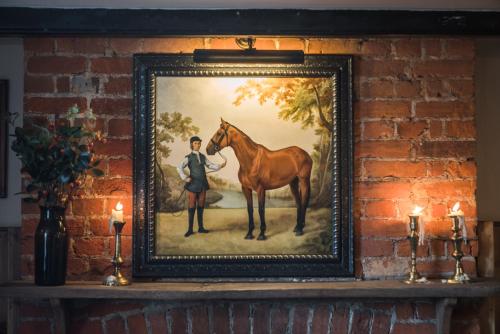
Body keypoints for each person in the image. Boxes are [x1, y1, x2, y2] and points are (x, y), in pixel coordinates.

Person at [177, 136, 226, 237]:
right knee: (191, 206)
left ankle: (201, 228)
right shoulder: (188, 157)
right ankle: (190, 229)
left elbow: (210, 165)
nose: (198, 145)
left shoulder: (203, 157)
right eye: (195, 143)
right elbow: (179, 167)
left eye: (199, 143)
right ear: (191, 145)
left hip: (203, 184)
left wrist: (220, 166)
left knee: (201, 206)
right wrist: (185, 178)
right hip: (193, 184)